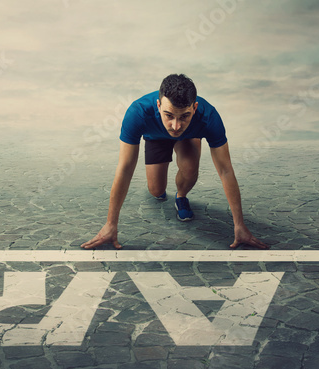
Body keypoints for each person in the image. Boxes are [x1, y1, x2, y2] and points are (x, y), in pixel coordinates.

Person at [81, 73, 268, 249]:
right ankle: (160, 190)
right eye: (169, 115)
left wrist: (239, 225)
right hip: (155, 137)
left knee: (189, 169)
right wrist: (110, 224)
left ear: (194, 108)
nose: (176, 126)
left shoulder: (209, 116)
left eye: (184, 116)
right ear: (158, 105)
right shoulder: (137, 112)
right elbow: (125, 168)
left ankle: (181, 196)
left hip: (189, 137)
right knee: (156, 190)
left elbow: (225, 170)